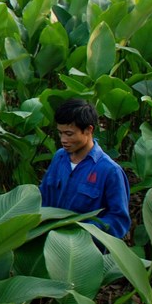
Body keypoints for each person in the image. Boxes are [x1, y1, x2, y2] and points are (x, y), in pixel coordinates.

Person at [39, 98, 131, 239]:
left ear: (88, 130)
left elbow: (118, 220)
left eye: (69, 134)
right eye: (60, 133)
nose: (63, 139)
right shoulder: (59, 158)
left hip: (85, 254)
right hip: (49, 245)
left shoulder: (110, 171)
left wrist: (83, 234)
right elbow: (42, 197)